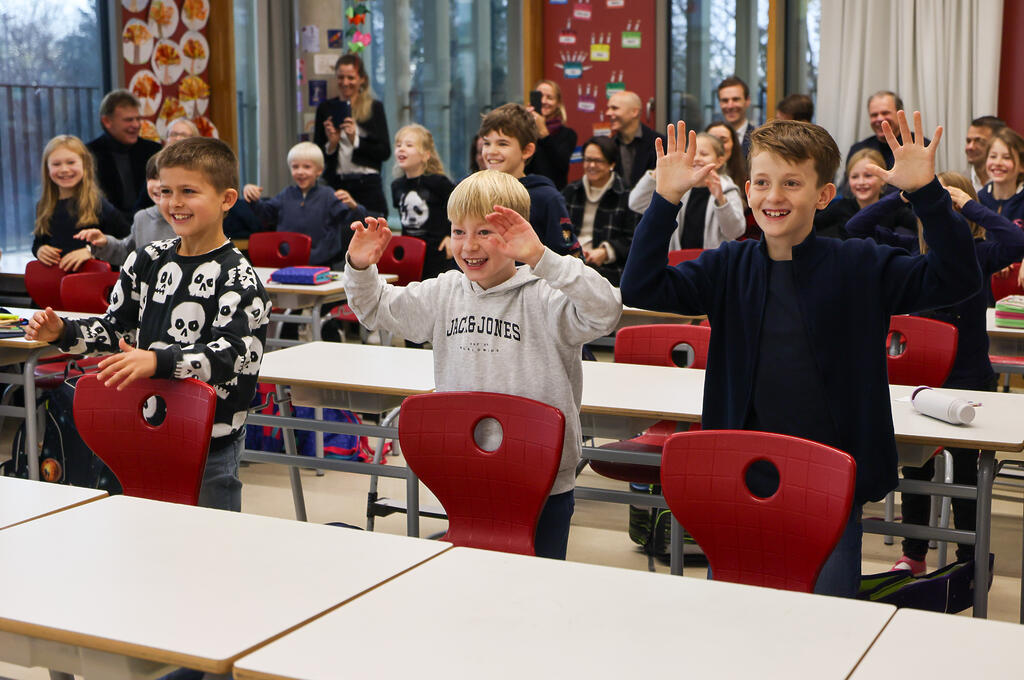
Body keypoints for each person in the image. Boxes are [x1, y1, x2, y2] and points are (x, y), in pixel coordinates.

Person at [619, 113, 981, 597]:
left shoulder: (860, 263)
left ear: (824, 195)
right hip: (741, 474)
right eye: (764, 183)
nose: (775, 197)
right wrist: (665, 202)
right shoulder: (729, 265)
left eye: (792, 183)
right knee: (735, 610)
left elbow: (957, 278)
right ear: (748, 191)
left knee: (828, 618)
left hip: (830, 479)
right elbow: (641, 285)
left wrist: (928, 196)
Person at [343, 170, 622, 559]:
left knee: (534, 586)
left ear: (517, 233)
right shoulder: (445, 291)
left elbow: (606, 310)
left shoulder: (546, 297)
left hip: (539, 477)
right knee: (470, 580)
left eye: (484, 232)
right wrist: (359, 267)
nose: (469, 245)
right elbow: (376, 307)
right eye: (459, 232)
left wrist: (543, 258)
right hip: (465, 472)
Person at [26, 136, 270, 513]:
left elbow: (232, 355)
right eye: (166, 190)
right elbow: (117, 329)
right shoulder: (146, 259)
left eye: (189, 191)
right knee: (146, 534)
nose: (175, 203)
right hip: (143, 425)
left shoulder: (239, 278)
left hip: (209, 439)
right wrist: (64, 332)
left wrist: (157, 361)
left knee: (213, 547)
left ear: (226, 199)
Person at [844, 172, 1024, 574]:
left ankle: (968, 560)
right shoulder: (910, 251)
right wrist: (908, 195)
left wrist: (967, 204)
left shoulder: (978, 253)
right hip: (919, 384)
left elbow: (1018, 242)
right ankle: (915, 554)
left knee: (964, 476)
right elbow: (855, 227)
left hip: (969, 381)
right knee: (915, 470)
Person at [478, 103, 581, 257]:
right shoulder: (474, 190)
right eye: (487, 143)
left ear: (527, 151)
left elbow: (568, 255)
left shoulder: (547, 198)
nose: (491, 151)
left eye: (502, 144)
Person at [243, 142, 366, 268]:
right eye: (295, 167)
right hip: (287, 261)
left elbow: (353, 219)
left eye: (307, 167)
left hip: (322, 264)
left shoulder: (328, 195)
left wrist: (354, 206)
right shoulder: (285, 194)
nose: (300, 172)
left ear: (319, 171)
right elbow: (264, 213)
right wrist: (252, 196)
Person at [628, 133, 744, 251]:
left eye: (704, 154)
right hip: (678, 263)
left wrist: (721, 200)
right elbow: (636, 204)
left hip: (714, 264)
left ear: (719, 161)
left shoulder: (727, 189)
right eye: (692, 154)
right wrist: (657, 172)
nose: (697, 158)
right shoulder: (678, 186)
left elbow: (735, 231)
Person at [33, 135, 128, 272]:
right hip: (58, 284)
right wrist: (40, 250)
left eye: (71, 162)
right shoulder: (43, 206)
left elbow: (125, 243)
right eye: (56, 164)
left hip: (95, 284)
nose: (64, 169)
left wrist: (91, 251)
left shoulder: (98, 204)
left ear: (85, 164)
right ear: (47, 169)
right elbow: (39, 241)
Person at [313, 53, 390, 217]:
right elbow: (316, 154)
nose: (345, 83)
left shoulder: (374, 107)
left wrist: (355, 140)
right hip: (337, 184)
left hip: (367, 185)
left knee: (372, 231)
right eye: (340, 77)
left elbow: (384, 152)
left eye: (351, 77)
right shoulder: (325, 108)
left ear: (361, 79)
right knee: (338, 235)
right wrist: (331, 144)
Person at [561, 136, 636, 285]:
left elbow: (632, 239)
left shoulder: (627, 196)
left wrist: (606, 251)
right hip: (569, 265)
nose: (591, 165)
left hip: (609, 271)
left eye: (598, 161)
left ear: (612, 164)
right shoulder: (570, 191)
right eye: (588, 160)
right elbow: (559, 229)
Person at [76, 156, 173, 267]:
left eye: (163, 179)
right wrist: (105, 243)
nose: (158, 185)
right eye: (153, 178)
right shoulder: (142, 218)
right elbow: (128, 253)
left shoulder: (189, 219)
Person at [391, 124, 456, 280]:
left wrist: (451, 235)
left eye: (409, 145)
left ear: (426, 155)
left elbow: (458, 209)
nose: (401, 149)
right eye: (398, 145)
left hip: (437, 252)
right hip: (410, 253)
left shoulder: (439, 182)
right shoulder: (396, 185)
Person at [86, 89, 162, 221]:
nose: (136, 125)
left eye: (138, 119)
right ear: (107, 122)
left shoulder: (154, 151)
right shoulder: (89, 154)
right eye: (128, 120)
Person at [813, 148, 915, 240]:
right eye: (854, 177)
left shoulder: (893, 208)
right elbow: (811, 225)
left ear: (883, 179)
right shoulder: (841, 207)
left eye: (868, 176)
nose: (861, 182)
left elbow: (921, 224)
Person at [604, 91, 664, 190]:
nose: (608, 113)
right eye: (609, 108)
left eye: (614, 108)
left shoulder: (660, 144)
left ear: (634, 112)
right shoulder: (610, 145)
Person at [527, 79, 578, 190]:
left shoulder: (568, 134)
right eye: (540, 96)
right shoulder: (524, 130)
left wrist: (544, 133)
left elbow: (561, 166)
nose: (544, 101)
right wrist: (524, 124)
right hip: (525, 192)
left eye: (549, 98)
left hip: (553, 192)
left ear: (558, 103)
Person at [977, 126, 1024, 224]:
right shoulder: (978, 199)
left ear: (1022, 166)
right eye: (993, 156)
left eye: (1007, 157)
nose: (998, 163)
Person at [965, 115, 1005, 191]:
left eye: (978, 141)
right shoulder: (957, 183)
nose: (970, 147)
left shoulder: (1013, 183)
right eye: (968, 141)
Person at [716, 76, 754, 156]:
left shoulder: (758, 139)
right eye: (725, 100)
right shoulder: (711, 138)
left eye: (735, 99)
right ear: (720, 103)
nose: (730, 106)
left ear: (747, 101)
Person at [705, 122, 747, 190]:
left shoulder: (746, 179)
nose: (718, 145)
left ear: (733, 144)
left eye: (723, 140)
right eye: (712, 140)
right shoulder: (693, 178)